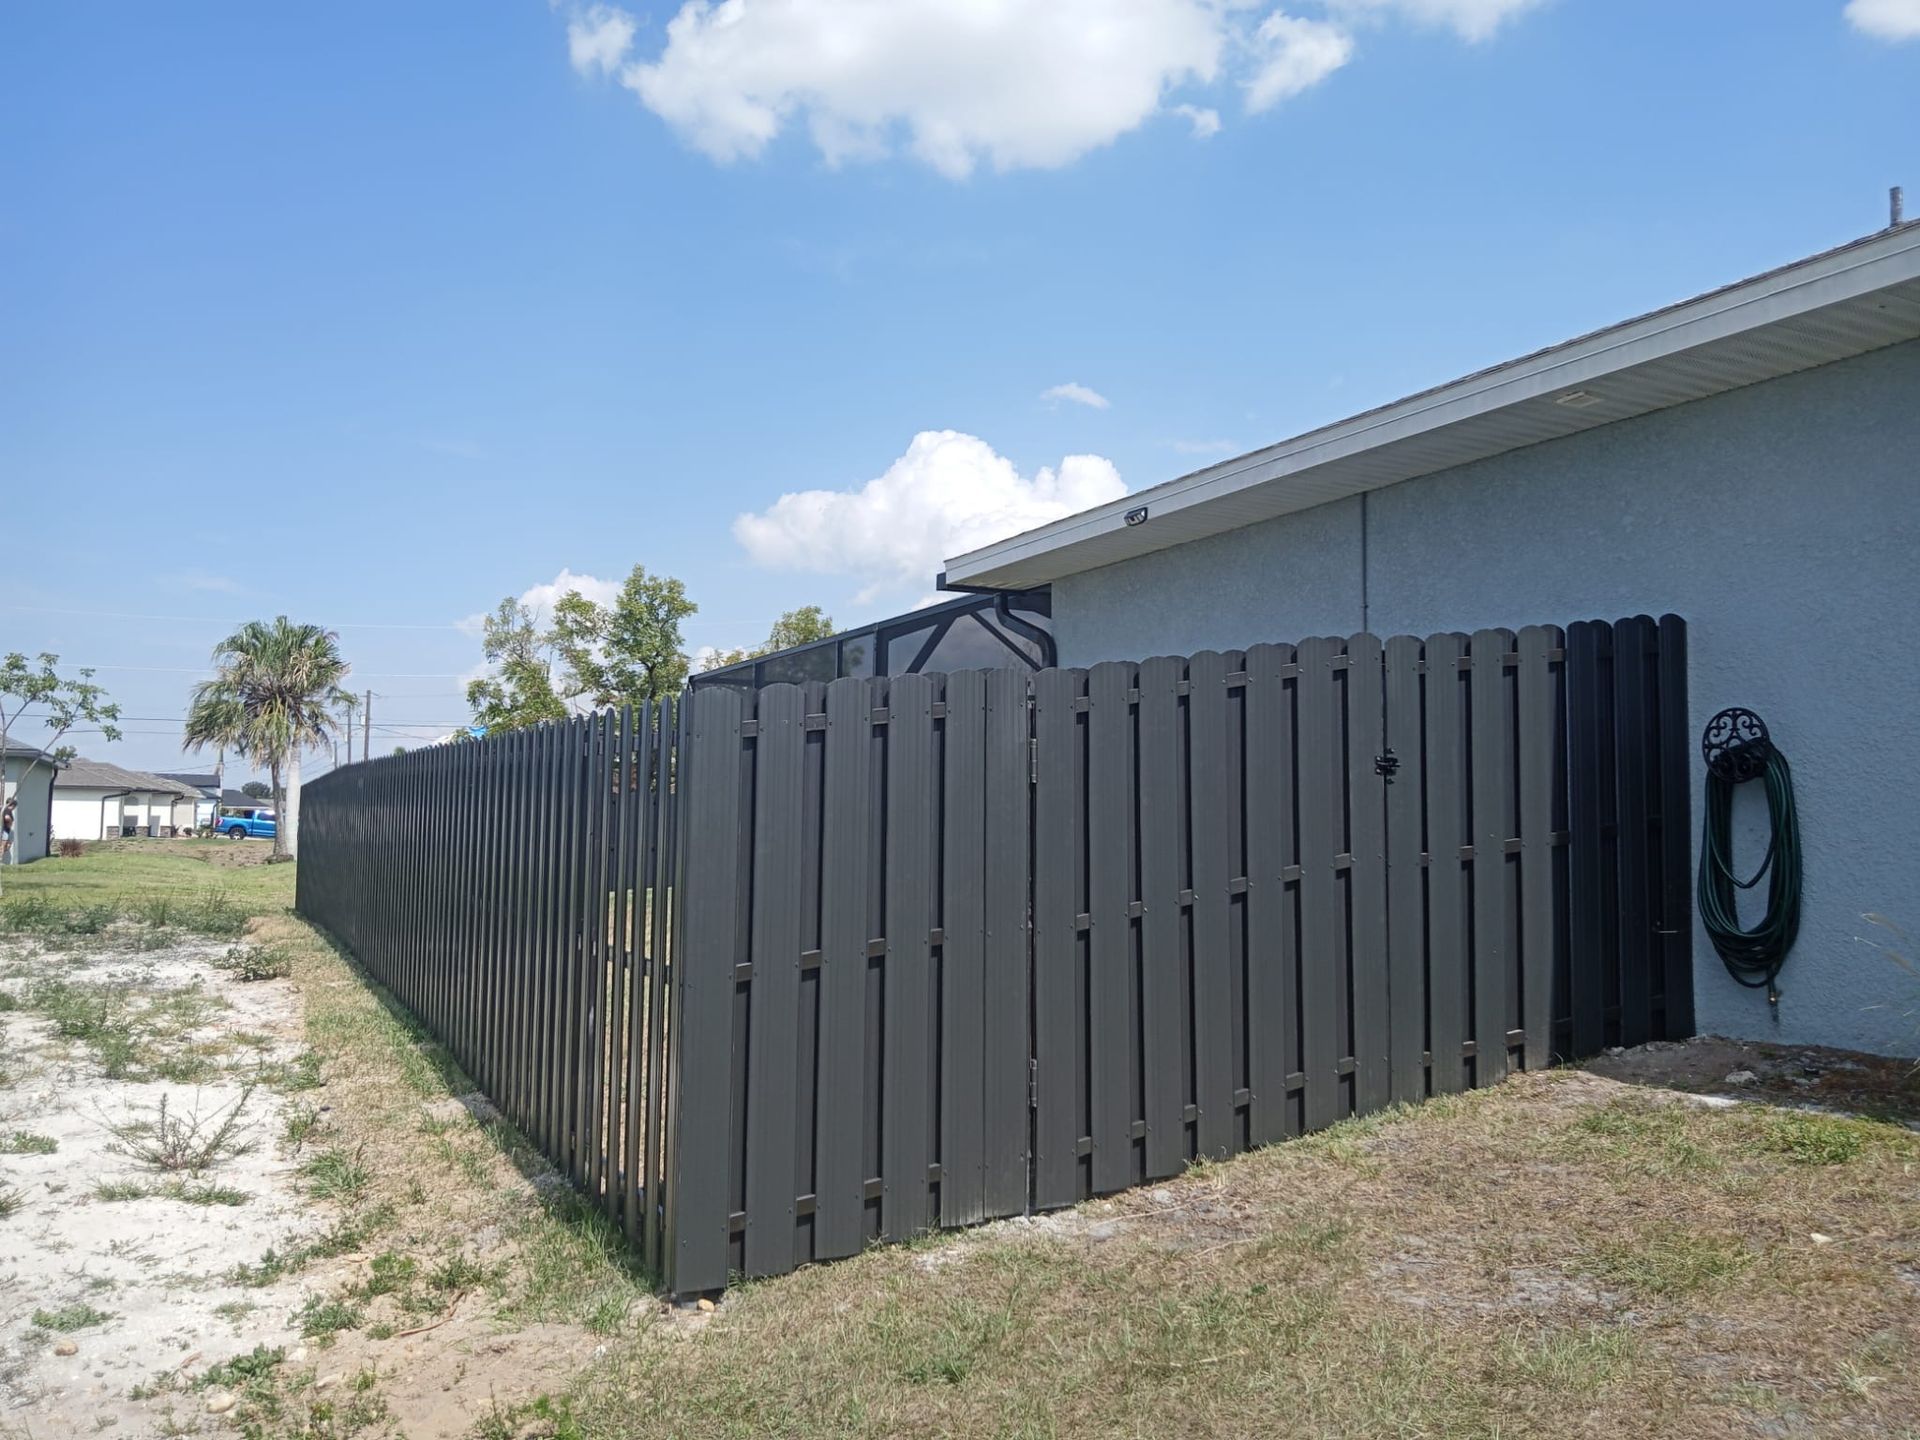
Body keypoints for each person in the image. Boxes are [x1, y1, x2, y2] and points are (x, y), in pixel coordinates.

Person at [0, 796, 16, 866]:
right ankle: (0, 858)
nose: (14, 808)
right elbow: (6, 817)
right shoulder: (7, 810)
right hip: (5, 830)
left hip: (7, 830)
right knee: (3, 846)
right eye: (14, 806)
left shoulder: (6, 810)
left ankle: (1, 857)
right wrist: (9, 822)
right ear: (12, 805)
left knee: (7, 845)